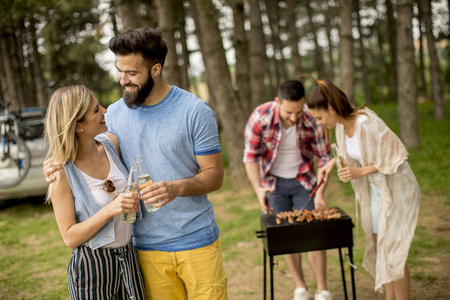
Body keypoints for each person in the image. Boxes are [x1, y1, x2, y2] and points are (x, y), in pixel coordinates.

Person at [44, 27, 227, 300]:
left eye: (132, 73)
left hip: (197, 242)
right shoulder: (114, 115)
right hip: (143, 250)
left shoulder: (195, 111)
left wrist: (176, 188)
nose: (123, 80)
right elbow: (83, 149)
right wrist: (55, 163)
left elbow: (215, 175)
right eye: (120, 70)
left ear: (155, 69)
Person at [304, 75, 420, 300]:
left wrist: (360, 172)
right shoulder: (340, 127)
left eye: (319, 118)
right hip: (378, 191)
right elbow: (349, 155)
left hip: (396, 188)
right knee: (381, 248)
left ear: (331, 108)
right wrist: (330, 164)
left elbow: (397, 155)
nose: (318, 123)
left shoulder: (367, 123)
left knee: (393, 252)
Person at [44, 85, 145, 299]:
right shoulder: (61, 173)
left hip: (128, 258)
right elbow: (70, 237)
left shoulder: (112, 145)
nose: (105, 111)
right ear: (78, 125)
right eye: (95, 110)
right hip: (92, 268)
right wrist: (110, 210)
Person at [243, 79, 333, 300]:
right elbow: (250, 157)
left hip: (306, 182)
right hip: (273, 185)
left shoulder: (312, 117)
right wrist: (258, 189)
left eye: (298, 112)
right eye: (288, 113)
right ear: (277, 101)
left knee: (314, 233)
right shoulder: (260, 117)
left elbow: (324, 158)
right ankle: (301, 287)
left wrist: (320, 192)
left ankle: (322, 290)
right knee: (285, 235)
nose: (294, 118)